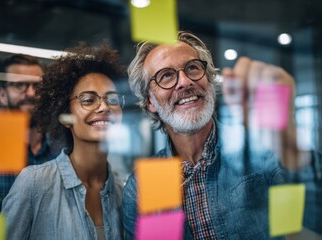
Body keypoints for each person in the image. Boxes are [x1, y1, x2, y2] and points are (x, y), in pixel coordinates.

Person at [122, 31, 321, 239]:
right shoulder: (142, 186)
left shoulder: (259, 150)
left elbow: (315, 216)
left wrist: (288, 139)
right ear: (150, 102)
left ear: (208, 80)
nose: (185, 81)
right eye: (166, 76)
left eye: (192, 68)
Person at [1, 43, 125, 240]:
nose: (104, 107)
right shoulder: (34, 184)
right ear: (66, 116)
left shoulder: (122, 192)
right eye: (88, 100)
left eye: (112, 100)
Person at [0, 54, 58, 216]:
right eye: (19, 85)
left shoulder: (62, 155)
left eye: (38, 86)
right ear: (2, 95)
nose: (31, 93)